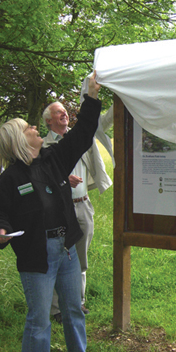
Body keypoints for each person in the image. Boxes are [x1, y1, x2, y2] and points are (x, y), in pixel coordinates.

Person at [0, 73, 103, 352]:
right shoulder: (11, 177)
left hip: (67, 249)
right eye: (28, 127)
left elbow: (84, 132)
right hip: (37, 257)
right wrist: (0, 232)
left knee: (73, 311)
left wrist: (91, 98)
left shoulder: (53, 158)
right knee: (39, 321)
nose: (34, 128)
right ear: (18, 141)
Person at [42, 95, 113, 323]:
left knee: (81, 259)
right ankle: (56, 309)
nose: (64, 114)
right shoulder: (43, 147)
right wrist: (61, 177)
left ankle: (77, 303)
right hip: (58, 211)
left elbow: (100, 126)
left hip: (82, 205)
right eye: (57, 112)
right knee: (56, 258)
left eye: (65, 111)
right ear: (48, 122)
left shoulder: (80, 138)